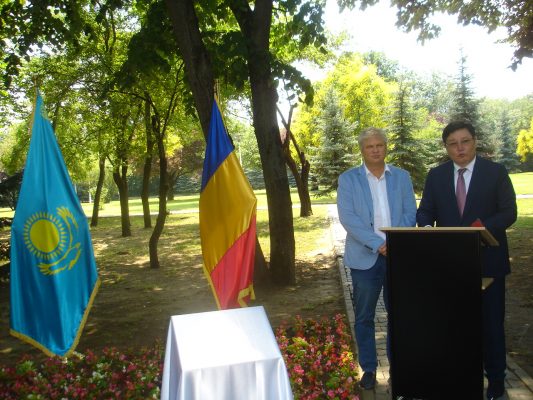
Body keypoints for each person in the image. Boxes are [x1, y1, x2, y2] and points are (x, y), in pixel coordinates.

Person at [416, 120, 517, 400]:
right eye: (453, 144)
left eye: (465, 141)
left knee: (491, 326)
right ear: (446, 147)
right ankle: (459, 377)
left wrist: (480, 228)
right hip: (450, 265)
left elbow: (509, 212)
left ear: (475, 142)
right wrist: (427, 228)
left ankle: (495, 380)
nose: (460, 148)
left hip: (489, 263)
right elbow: (425, 211)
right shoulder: (436, 176)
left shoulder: (495, 172)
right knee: (455, 324)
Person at [337, 127, 417, 390]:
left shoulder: (402, 177)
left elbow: (410, 213)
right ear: (362, 150)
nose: (375, 150)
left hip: (398, 256)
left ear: (386, 147)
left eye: (379, 145)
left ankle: (399, 368)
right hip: (365, 259)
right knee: (364, 317)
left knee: (399, 316)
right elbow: (349, 218)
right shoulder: (349, 179)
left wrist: (393, 241)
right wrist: (378, 244)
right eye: (369, 146)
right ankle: (369, 368)